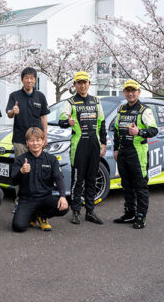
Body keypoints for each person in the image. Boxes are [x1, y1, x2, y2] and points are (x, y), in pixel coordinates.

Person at [59, 71, 107, 225]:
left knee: (92, 179)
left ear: (89, 84)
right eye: (79, 82)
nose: (82, 85)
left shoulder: (96, 101)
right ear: (74, 85)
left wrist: (103, 143)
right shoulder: (70, 102)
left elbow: (102, 123)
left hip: (94, 144)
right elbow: (61, 121)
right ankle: (76, 212)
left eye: (84, 82)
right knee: (77, 180)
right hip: (79, 145)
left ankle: (90, 211)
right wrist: (68, 122)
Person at [113, 79, 158, 229]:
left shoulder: (144, 110)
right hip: (123, 152)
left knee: (140, 185)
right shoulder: (121, 109)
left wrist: (139, 132)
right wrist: (116, 149)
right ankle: (129, 213)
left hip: (138, 153)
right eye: (127, 91)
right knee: (126, 185)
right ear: (124, 92)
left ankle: (141, 216)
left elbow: (154, 130)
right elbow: (117, 131)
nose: (130, 93)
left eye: (133, 90)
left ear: (138, 92)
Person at [6, 67, 50, 212]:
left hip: (37, 141)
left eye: (32, 78)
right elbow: (9, 114)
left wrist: (45, 137)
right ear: (22, 80)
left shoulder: (40, 96)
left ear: (35, 80)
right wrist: (13, 111)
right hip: (20, 140)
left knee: (37, 170)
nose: (29, 80)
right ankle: (19, 201)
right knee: (21, 170)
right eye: (26, 78)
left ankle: (36, 200)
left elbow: (43, 117)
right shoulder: (14, 95)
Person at [11, 127, 69, 232]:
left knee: (64, 207)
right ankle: (33, 215)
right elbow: (14, 181)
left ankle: (42, 215)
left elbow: (58, 178)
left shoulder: (51, 159)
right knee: (18, 226)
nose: (35, 143)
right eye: (32, 140)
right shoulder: (21, 159)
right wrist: (21, 172)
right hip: (27, 199)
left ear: (43, 142)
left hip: (45, 197)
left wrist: (63, 196)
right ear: (27, 142)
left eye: (38, 140)